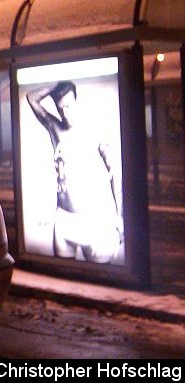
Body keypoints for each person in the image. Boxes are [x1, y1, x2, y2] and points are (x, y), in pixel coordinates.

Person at [26, 81, 122, 263]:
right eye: (61, 108)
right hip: (63, 218)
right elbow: (32, 98)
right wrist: (56, 84)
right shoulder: (55, 128)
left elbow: (115, 173)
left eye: (69, 106)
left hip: (93, 218)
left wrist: (118, 216)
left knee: (99, 282)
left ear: (77, 102)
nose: (66, 113)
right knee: (65, 277)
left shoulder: (94, 130)